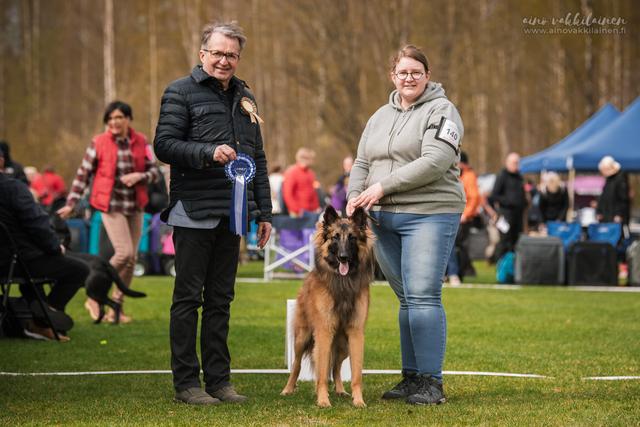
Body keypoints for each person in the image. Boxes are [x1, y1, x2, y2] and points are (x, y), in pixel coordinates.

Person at [154, 21, 272, 406]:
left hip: (232, 215)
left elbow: (258, 158)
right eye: (218, 53)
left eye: (232, 55)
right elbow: (165, 145)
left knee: (222, 300)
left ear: (239, 58)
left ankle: (220, 381)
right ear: (202, 54)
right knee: (188, 298)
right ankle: (187, 383)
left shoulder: (246, 97)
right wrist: (207, 153)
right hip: (193, 211)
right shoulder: (180, 91)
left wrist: (264, 212)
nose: (225, 60)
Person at [347, 45, 464, 405]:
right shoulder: (379, 116)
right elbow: (362, 162)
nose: (409, 78)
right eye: (402, 73)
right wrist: (355, 197)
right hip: (382, 218)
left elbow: (435, 160)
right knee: (406, 300)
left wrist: (383, 186)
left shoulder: (443, 111)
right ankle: (412, 379)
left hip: (429, 213)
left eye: (416, 72)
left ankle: (432, 382)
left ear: (427, 76)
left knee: (424, 296)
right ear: (392, 76)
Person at [58, 100, 160, 324]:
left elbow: (154, 172)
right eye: (110, 119)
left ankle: (116, 307)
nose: (114, 122)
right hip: (109, 204)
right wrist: (72, 203)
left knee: (132, 259)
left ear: (128, 119)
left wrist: (139, 176)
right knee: (123, 253)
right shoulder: (99, 142)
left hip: (135, 205)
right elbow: (83, 175)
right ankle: (94, 295)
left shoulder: (141, 141)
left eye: (119, 118)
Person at [0, 150, 89, 342]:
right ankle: (41, 322)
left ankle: (35, 314)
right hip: (17, 260)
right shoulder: (13, 188)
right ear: (1, 161)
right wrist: (55, 247)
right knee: (79, 269)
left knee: (33, 274)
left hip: (12, 260)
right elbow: (36, 224)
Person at [446, 151, 480, 285]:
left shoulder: (468, 176)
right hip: (456, 214)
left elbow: (474, 197)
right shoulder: (462, 175)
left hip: (461, 217)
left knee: (451, 245)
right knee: (453, 246)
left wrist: (466, 214)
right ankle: (452, 273)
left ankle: (454, 274)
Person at [489, 152, 527, 262]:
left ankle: (513, 269)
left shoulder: (520, 177)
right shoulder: (502, 175)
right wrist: (508, 201)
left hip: (518, 215)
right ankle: (501, 269)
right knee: (504, 241)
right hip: (505, 214)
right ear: (508, 163)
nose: (516, 165)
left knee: (516, 241)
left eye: (517, 163)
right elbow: (494, 196)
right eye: (514, 163)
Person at [282, 147, 320, 217]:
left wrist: (316, 207)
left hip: (311, 213)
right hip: (297, 214)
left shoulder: (311, 173)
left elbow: (313, 192)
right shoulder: (292, 172)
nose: (312, 161)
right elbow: (288, 194)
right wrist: (296, 210)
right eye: (311, 158)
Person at [596, 155, 631, 226]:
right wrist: (599, 211)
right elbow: (603, 198)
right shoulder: (608, 180)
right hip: (606, 216)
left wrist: (619, 214)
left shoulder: (621, 179)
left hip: (616, 217)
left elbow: (623, 199)